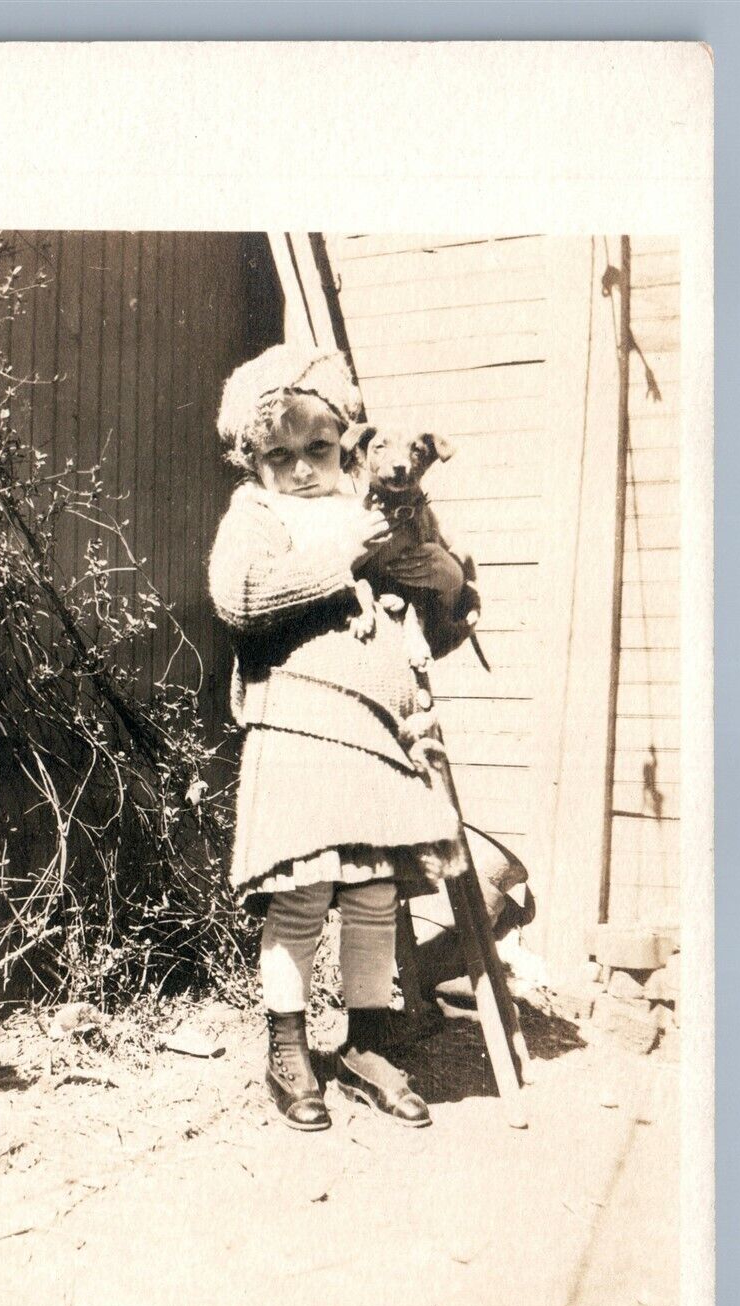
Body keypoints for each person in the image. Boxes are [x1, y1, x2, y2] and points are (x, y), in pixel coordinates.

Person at [208, 343, 483, 1133]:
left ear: (348, 444)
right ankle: (288, 1048)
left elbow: (440, 620)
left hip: (382, 730)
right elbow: (240, 596)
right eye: (278, 456)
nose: (300, 470)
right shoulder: (260, 515)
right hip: (300, 719)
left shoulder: (373, 506)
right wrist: (340, 557)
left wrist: (440, 578)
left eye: (318, 451)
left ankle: (364, 1041)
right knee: (301, 895)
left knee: (370, 893)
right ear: (251, 460)